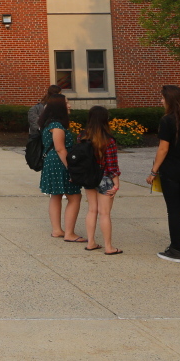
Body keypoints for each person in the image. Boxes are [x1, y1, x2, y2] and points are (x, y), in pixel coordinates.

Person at [147, 85, 180, 263]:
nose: (161, 101)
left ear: (169, 100)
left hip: (171, 171)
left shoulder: (166, 120)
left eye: (162, 98)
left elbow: (163, 148)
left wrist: (153, 171)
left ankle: (175, 249)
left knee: (174, 210)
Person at [38, 96, 84, 242]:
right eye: (67, 103)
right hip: (59, 162)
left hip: (51, 162)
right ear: (60, 108)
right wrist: (71, 169)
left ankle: (57, 230)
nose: (69, 106)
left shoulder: (48, 124)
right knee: (74, 196)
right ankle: (69, 233)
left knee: (56, 195)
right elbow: (60, 149)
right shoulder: (57, 125)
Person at [81, 106, 122, 255]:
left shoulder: (83, 136)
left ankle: (91, 242)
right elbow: (112, 165)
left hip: (89, 177)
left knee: (92, 209)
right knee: (104, 213)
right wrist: (116, 183)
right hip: (104, 178)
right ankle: (108, 247)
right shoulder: (108, 140)